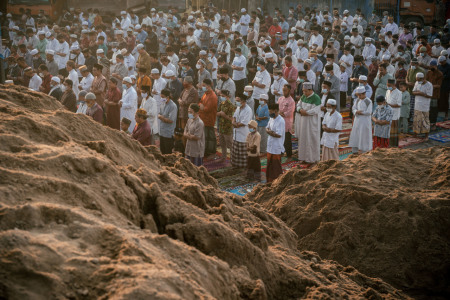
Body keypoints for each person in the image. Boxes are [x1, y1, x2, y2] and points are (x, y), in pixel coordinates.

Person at [294, 82, 321, 164]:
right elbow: (298, 105)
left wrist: (306, 113)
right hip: (303, 122)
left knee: (311, 139)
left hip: (312, 123)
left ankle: (312, 158)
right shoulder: (303, 96)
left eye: (305, 91)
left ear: (310, 90)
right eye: (303, 91)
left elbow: (316, 110)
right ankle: (303, 157)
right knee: (303, 138)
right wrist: (300, 110)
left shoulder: (316, 98)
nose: (304, 93)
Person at [349, 86, 373, 153]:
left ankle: (364, 150)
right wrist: (356, 112)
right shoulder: (357, 100)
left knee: (364, 135)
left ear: (364, 93)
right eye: (358, 95)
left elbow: (369, 112)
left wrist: (361, 112)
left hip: (365, 121)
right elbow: (353, 108)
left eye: (360, 95)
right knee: (356, 134)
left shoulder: (368, 101)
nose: (359, 96)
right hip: (357, 120)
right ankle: (355, 150)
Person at [198, 79, 218, 158]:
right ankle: (205, 150)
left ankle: (211, 152)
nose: (202, 87)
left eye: (204, 85)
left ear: (208, 86)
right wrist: (201, 106)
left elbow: (207, 109)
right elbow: (200, 102)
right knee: (204, 136)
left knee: (210, 137)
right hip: (203, 118)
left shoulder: (212, 96)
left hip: (209, 119)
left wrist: (202, 107)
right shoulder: (205, 94)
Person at [231, 95, 252, 169]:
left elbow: (244, 123)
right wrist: (233, 122)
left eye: (238, 101)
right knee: (236, 152)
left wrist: (235, 124)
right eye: (236, 100)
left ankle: (244, 168)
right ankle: (236, 165)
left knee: (243, 154)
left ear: (243, 101)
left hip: (243, 134)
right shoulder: (238, 108)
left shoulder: (248, 110)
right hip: (236, 133)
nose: (236, 102)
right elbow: (234, 117)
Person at [266, 103, 285, 183]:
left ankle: (278, 182)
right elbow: (267, 128)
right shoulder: (271, 118)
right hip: (270, 144)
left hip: (277, 145)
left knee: (276, 165)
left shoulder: (280, 121)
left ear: (276, 111)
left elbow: (278, 135)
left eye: (271, 112)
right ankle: (270, 180)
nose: (270, 113)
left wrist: (270, 132)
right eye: (269, 112)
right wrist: (270, 132)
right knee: (269, 164)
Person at [412, 72, 433, 140]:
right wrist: (418, 93)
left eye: (419, 80)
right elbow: (413, 92)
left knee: (425, 121)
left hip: (425, 106)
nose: (418, 81)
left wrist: (422, 94)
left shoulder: (429, 85)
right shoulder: (417, 83)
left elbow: (430, 95)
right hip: (417, 105)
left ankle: (426, 136)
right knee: (416, 120)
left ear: (423, 78)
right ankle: (415, 134)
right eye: (417, 80)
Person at [277, 84, 296, 160]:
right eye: (283, 90)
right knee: (279, 137)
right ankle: (281, 152)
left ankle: (289, 154)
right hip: (280, 121)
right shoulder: (280, 98)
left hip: (287, 122)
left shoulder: (291, 101)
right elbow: (277, 108)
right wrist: (279, 113)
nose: (284, 92)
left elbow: (290, 112)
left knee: (287, 139)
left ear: (289, 90)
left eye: (285, 90)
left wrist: (282, 113)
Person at [217, 90, 235, 162]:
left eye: (223, 96)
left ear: (227, 96)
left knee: (230, 144)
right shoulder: (222, 103)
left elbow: (232, 118)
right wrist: (220, 114)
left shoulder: (231, 106)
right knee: (222, 143)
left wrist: (224, 115)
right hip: (221, 127)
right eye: (221, 96)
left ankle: (232, 158)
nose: (222, 97)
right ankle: (223, 157)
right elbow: (217, 113)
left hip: (227, 128)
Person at [158, 89, 178, 154]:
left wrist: (161, 117)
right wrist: (162, 117)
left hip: (168, 133)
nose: (162, 98)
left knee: (168, 152)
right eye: (161, 97)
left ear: (167, 97)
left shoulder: (173, 106)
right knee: (162, 151)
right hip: (162, 132)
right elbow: (159, 113)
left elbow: (171, 120)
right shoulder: (163, 104)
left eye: (163, 97)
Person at [385, 79, 402, 147]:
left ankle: (393, 145)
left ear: (394, 85)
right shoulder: (387, 91)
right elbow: (386, 100)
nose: (388, 86)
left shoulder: (398, 93)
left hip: (394, 114)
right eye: (387, 85)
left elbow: (398, 104)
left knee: (393, 131)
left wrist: (389, 105)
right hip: (387, 113)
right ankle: (388, 144)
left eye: (389, 85)